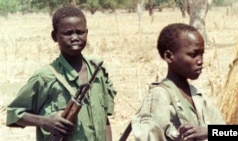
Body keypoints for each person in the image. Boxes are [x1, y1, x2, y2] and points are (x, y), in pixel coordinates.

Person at [6, 4, 116, 141]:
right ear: (54, 36)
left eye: (80, 32)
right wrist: (45, 122)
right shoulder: (45, 77)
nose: (75, 37)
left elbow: (104, 119)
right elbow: (14, 114)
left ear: (87, 32)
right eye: (68, 33)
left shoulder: (98, 72)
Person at [131, 23, 225, 141]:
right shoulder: (160, 96)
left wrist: (207, 132)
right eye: (193, 54)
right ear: (169, 56)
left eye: (202, 54)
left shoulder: (197, 96)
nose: (200, 61)